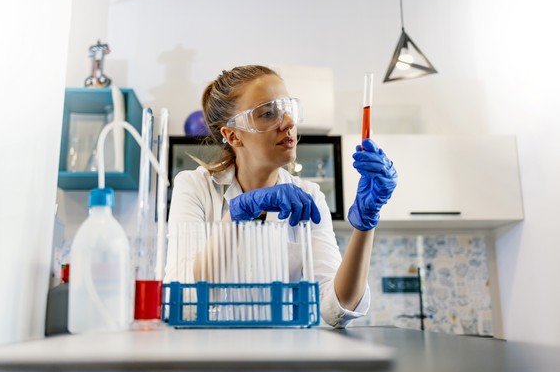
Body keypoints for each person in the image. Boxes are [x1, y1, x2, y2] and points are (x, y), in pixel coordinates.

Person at [165, 65, 397, 327]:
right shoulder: (195, 188)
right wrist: (235, 217)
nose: (288, 123)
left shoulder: (308, 197)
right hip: (212, 357)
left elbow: (336, 310)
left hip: (284, 357)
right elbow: (185, 299)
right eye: (267, 113)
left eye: (288, 110)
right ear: (232, 135)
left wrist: (366, 225)